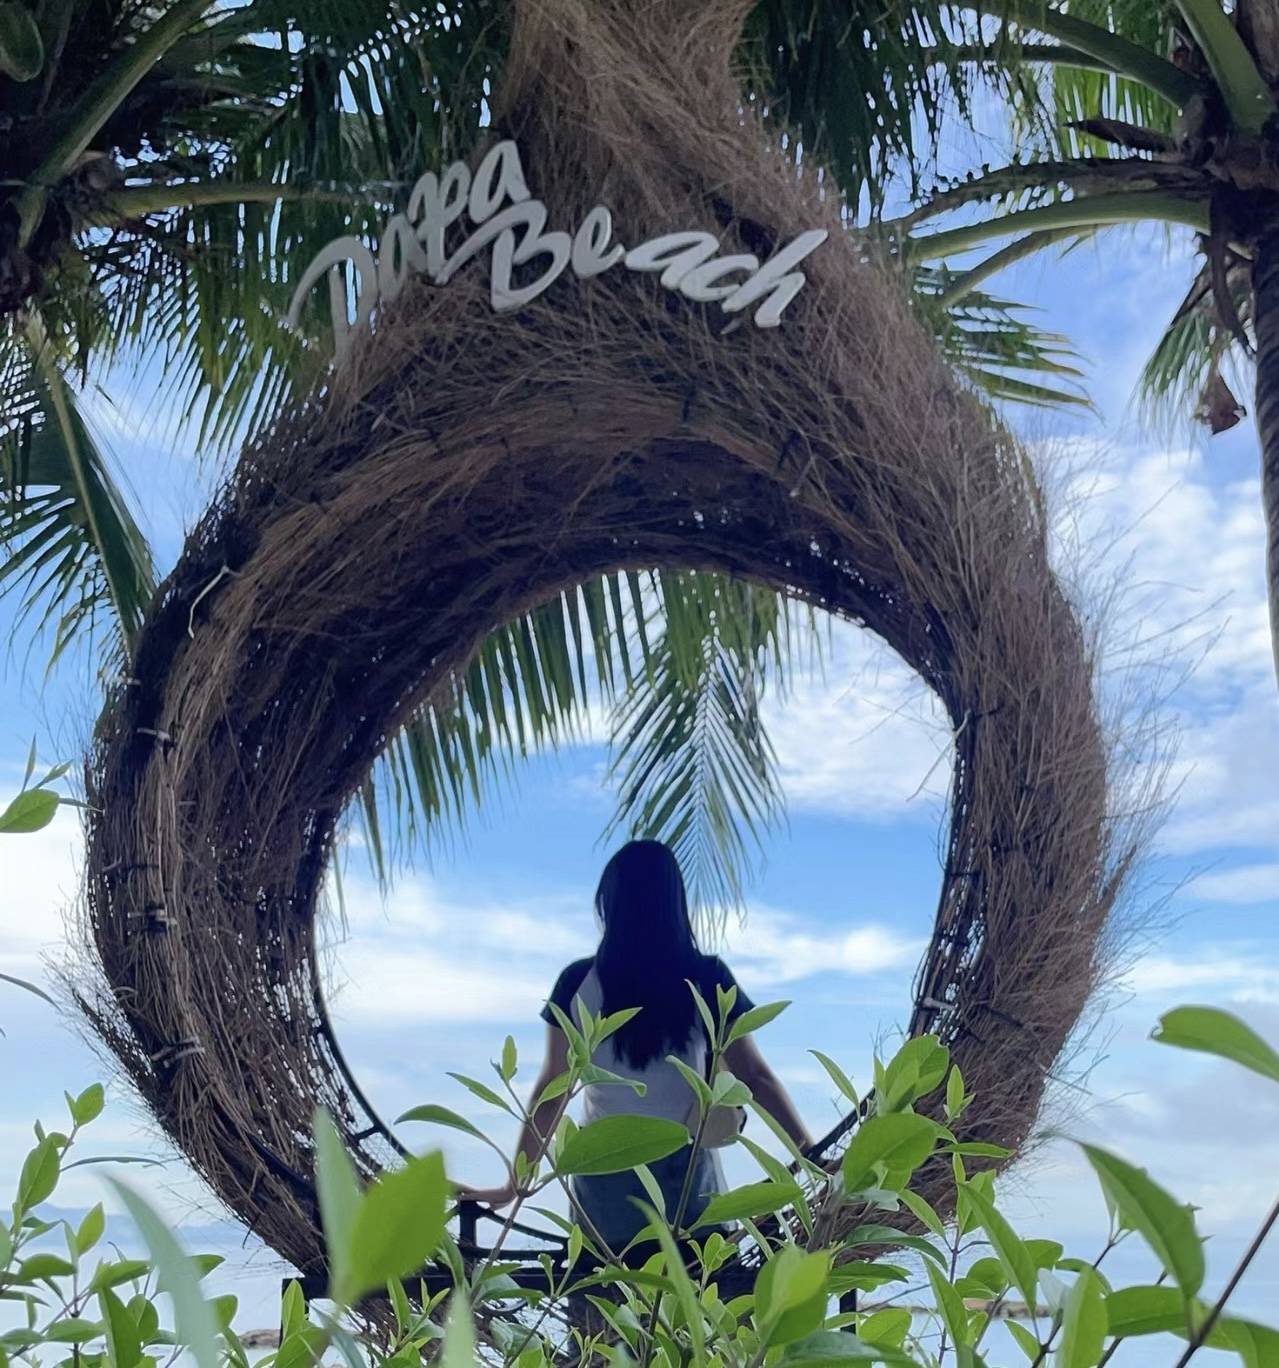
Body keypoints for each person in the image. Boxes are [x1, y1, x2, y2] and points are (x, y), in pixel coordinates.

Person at [459, 840, 813, 1256]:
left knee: (604, 1295)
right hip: (690, 1190)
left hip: (604, 1190)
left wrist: (515, 1186)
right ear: (675, 905)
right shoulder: (707, 977)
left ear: (608, 904)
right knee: (700, 1293)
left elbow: (553, 1090)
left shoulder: (577, 983)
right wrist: (809, 1154)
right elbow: (753, 1076)